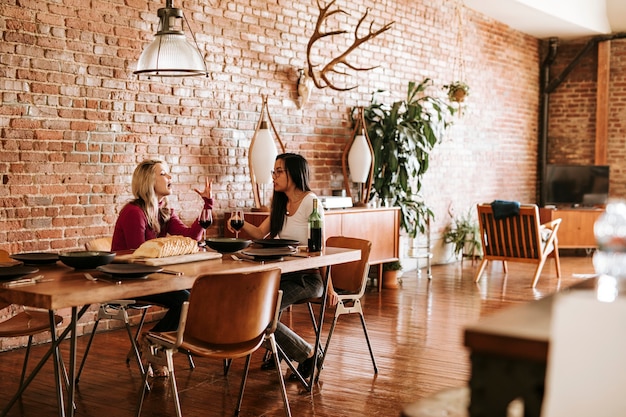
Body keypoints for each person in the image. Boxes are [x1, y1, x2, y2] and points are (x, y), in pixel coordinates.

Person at [228, 152, 338, 380]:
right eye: (274, 171)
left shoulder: (311, 201)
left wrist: (330, 286)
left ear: (294, 174)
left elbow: (320, 249)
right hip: (281, 276)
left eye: (279, 171)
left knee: (263, 315)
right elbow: (260, 233)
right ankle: (302, 352)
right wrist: (239, 221)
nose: (274, 176)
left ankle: (301, 353)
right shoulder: (280, 204)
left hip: (307, 278)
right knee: (253, 310)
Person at [111, 159, 213, 333]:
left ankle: (161, 342)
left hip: (151, 278)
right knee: (185, 301)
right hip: (128, 281)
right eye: (163, 174)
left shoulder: (164, 212)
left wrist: (207, 204)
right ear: (148, 181)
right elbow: (140, 256)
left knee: (200, 293)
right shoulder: (133, 212)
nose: (170, 177)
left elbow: (190, 237)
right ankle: (152, 342)